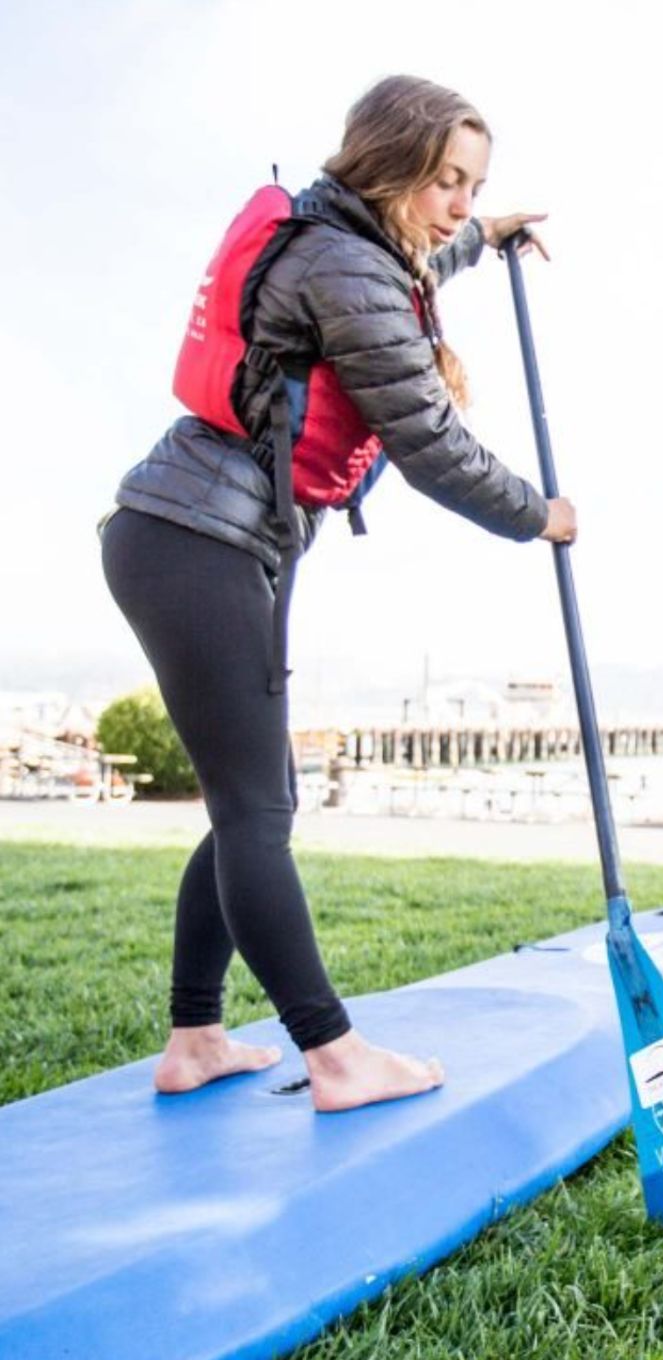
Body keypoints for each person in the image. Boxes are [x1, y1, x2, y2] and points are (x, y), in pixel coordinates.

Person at [101, 76, 577, 1111]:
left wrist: (488, 235)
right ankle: (335, 1055)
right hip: (198, 543)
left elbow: (413, 260)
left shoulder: (348, 246)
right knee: (257, 809)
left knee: (253, 806)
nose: (456, 201)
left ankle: (194, 1039)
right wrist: (539, 512)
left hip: (203, 538)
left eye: (473, 184)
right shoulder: (349, 269)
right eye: (446, 181)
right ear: (392, 162)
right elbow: (431, 444)